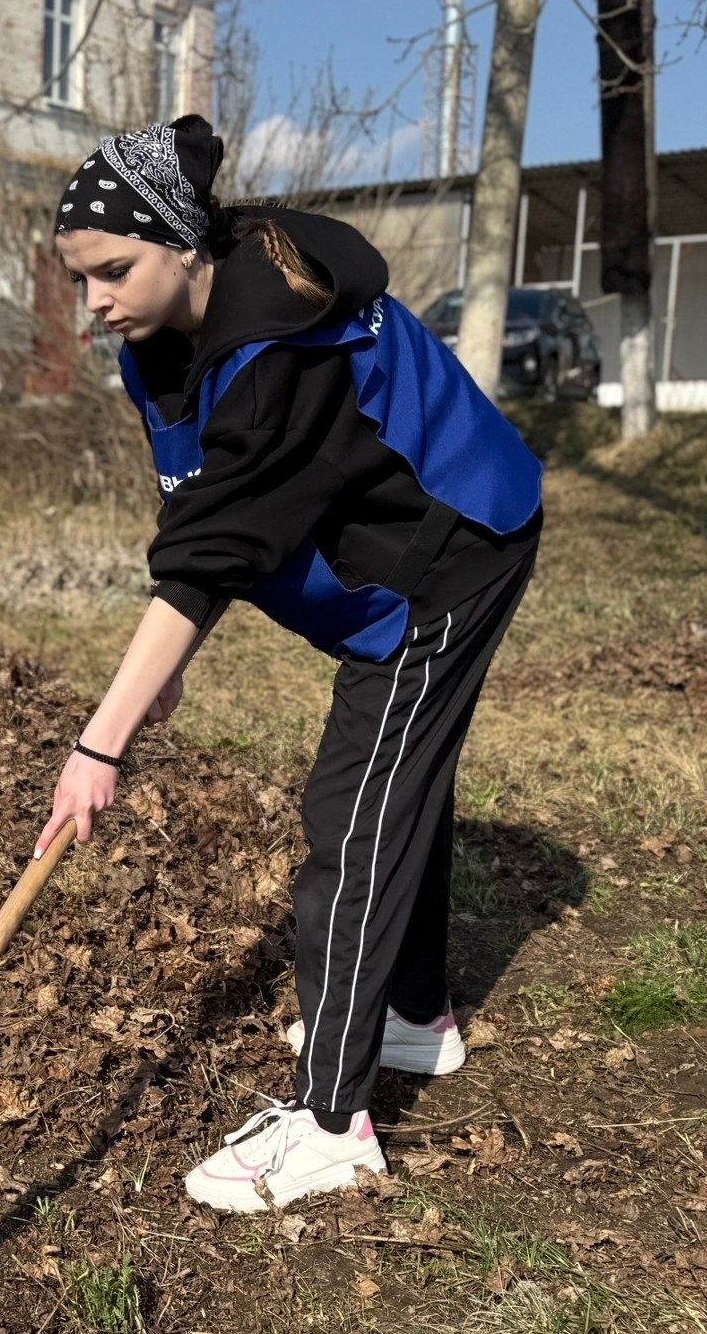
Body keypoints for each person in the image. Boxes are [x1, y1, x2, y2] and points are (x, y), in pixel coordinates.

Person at [36, 115, 543, 1211]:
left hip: (450, 555)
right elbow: (210, 525)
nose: (97, 302)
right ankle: (412, 1019)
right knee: (394, 791)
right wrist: (168, 659)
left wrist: (99, 741)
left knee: (353, 807)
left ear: (184, 246)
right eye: (81, 280)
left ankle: (330, 1126)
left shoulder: (284, 351)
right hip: (386, 554)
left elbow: (216, 533)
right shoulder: (157, 344)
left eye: (113, 271)